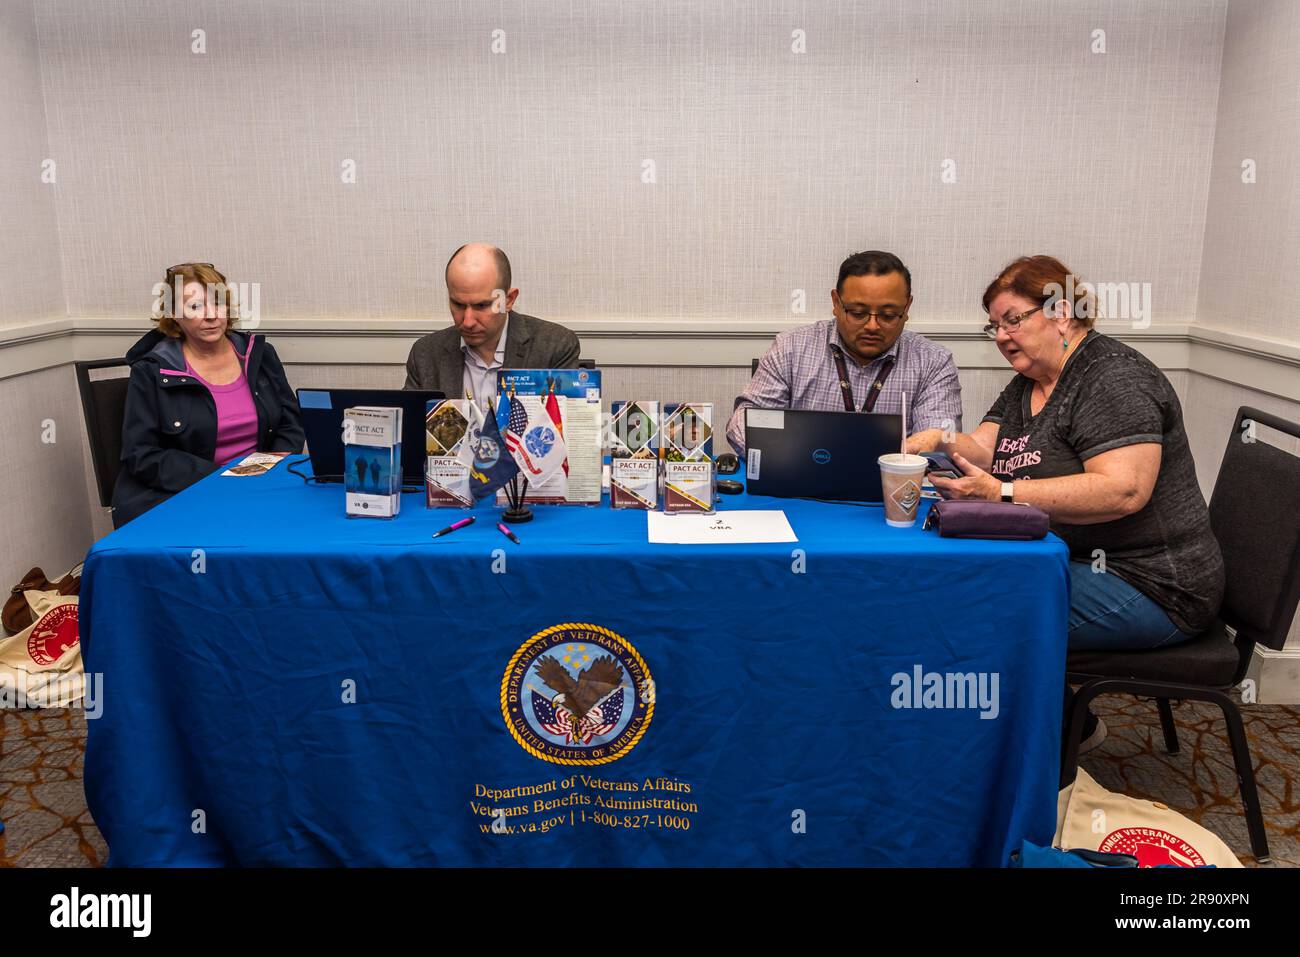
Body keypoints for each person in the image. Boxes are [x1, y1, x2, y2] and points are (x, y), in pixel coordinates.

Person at [908, 255, 1224, 750]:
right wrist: (941, 440)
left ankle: (1041, 747)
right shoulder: (1032, 380)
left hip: (1152, 583)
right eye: (994, 326)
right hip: (1075, 559)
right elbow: (988, 448)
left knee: (980, 608)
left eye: (1014, 319)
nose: (1003, 336)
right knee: (965, 585)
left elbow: (1123, 491)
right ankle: (1052, 728)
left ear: (1062, 312)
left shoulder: (1112, 378)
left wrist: (1002, 492)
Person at [111, 263, 304, 527]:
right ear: (174, 315)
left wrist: (261, 469)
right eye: (195, 307)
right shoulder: (152, 371)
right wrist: (221, 478)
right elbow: (140, 455)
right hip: (183, 495)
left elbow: (290, 425)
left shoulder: (259, 355)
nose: (211, 315)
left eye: (217, 303)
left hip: (259, 488)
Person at [726, 250, 962, 453]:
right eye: (858, 313)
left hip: (890, 488)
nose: (872, 326)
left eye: (888, 315)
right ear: (836, 303)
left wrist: (923, 449)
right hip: (800, 485)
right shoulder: (791, 348)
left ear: (907, 307)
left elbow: (944, 435)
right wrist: (787, 454)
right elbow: (742, 423)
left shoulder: (933, 362)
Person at [403, 243, 581, 407]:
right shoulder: (426, 354)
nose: (468, 321)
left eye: (481, 306)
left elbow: (564, 432)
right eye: (458, 304)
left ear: (508, 300)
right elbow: (410, 431)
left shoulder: (554, 346)